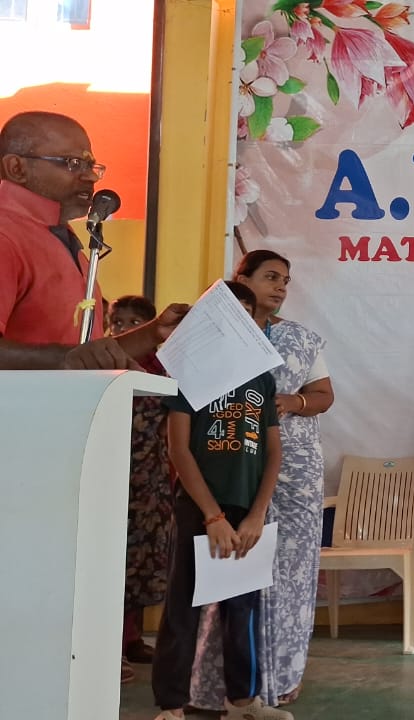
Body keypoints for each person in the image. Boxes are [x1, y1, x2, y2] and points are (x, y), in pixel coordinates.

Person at [186, 249, 334, 709]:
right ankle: (221, 691)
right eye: (271, 277)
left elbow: (324, 395)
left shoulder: (302, 339)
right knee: (228, 576)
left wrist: (293, 403)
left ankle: (282, 678)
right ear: (241, 277)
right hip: (232, 466)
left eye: (286, 281)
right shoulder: (212, 334)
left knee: (288, 574)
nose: (280, 287)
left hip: (295, 469)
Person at [151, 281, 290, 720]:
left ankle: (242, 701)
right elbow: (179, 449)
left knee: (241, 607)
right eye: (234, 312)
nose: (244, 321)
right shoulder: (187, 373)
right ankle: (171, 706)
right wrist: (211, 515)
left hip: (247, 510)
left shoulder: (262, 379)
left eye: (249, 313)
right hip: (199, 507)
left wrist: (256, 515)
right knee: (183, 607)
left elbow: (272, 452)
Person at [0, 111, 185, 369]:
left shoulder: (59, 233)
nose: (90, 177)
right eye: (73, 163)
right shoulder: (6, 234)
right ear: (16, 168)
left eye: (91, 166)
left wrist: (155, 332)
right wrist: (66, 358)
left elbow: (87, 354)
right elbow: (73, 357)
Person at [110, 296, 174, 684]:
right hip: (110, 474)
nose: (122, 329)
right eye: (118, 321)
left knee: (140, 560)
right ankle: (108, 647)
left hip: (149, 479)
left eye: (134, 322)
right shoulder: (99, 362)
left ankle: (131, 639)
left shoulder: (165, 369)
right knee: (111, 561)